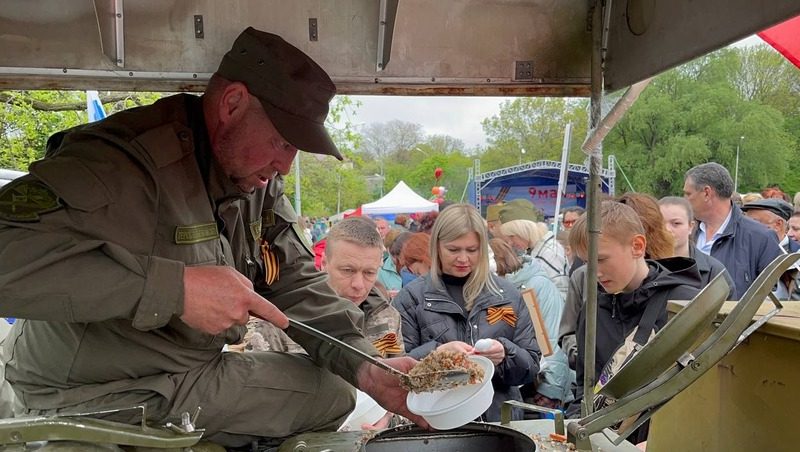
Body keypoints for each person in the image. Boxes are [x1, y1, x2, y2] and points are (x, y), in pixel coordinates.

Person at [0, 27, 425, 447]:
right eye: (280, 141)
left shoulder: (257, 182)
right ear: (233, 103)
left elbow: (293, 279)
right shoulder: (124, 163)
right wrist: (176, 290)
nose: (285, 165)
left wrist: (367, 366)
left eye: (294, 149)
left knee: (333, 392)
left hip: (184, 374)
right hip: (84, 386)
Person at [566, 201, 701, 442]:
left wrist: (662, 440)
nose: (593, 272)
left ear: (637, 246)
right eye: (587, 263)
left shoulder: (684, 304)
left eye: (601, 259)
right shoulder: (593, 308)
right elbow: (585, 391)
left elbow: (701, 394)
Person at [393, 204, 541, 422]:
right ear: (436, 247)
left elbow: (531, 368)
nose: (463, 259)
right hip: (436, 422)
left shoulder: (507, 295)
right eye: (453, 250)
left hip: (499, 422)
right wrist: (436, 355)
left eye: (472, 250)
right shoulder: (411, 298)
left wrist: (505, 353)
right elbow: (394, 373)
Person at [489, 238, 573, 410]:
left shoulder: (535, 287)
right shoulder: (501, 291)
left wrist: (551, 389)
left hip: (542, 384)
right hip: (521, 382)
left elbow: (552, 339)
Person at [684, 163, 783, 300]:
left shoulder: (761, 238)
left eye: (688, 194)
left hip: (734, 321)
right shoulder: (684, 233)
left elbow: (769, 299)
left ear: (707, 193)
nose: (685, 200)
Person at [658, 196, 735, 299]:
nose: (667, 229)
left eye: (676, 223)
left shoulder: (714, 272)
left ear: (691, 226)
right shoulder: (644, 267)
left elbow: (728, 312)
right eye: (660, 224)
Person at [500, 219, 570, 301]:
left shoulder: (549, 252)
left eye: (512, 236)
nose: (510, 243)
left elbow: (561, 289)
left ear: (523, 231)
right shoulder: (538, 249)